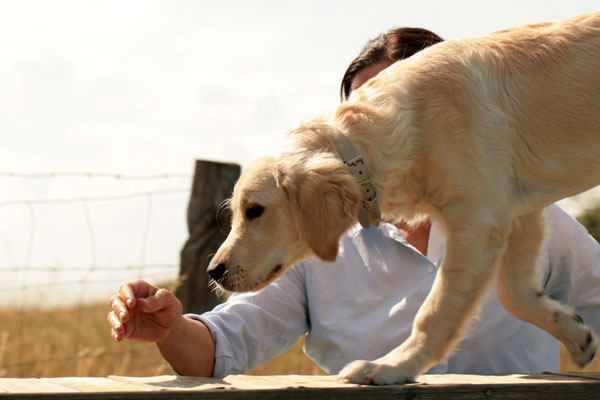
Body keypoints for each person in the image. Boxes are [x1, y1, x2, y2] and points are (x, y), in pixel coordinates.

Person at [107, 28, 600, 377]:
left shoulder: (535, 215)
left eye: (401, 101)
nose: (372, 124)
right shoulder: (311, 230)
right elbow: (223, 347)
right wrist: (169, 330)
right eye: (361, 108)